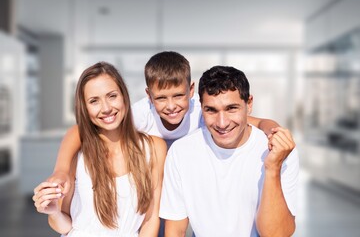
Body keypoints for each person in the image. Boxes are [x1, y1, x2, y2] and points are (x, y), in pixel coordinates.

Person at [39, 51, 280, 236]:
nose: (171, 105)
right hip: (157, 177)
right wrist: (60, 170)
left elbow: (249, 120)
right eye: (94, 100)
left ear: (191, 92)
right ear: (148, 97)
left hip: (170, 179)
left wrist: (272, 131)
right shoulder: (142, 114)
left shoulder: (200, 112)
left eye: (112, 96)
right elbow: (82, 131)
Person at [159, 65, 299, 237]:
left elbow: (277, 234)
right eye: (211, 110)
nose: (222, 123)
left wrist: (273, 168)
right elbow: (175, 230)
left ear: (249, 104)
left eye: (231, 108)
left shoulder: (279, 151)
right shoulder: (181, 152)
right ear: (201, 108)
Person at [32, 62, 167, 237]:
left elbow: (151, 219)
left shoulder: (154, 148)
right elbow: (65, 226)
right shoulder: (79, 150)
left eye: (112, 96)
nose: (106, 108)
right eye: (94, 101)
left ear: (124, 97)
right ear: (85, 108)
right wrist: (53, 212)